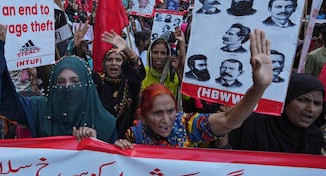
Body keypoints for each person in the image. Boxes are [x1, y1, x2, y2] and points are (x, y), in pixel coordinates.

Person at [113, 29, 273, 149]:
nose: (167, 119)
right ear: (143, 115)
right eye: (157, 113)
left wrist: (258, 88)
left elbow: (227, 120)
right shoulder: (135, 135)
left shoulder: (186, 124)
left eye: (170, 110)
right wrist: (121, 150)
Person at [0, 19, 118, 143]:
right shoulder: (39, 110)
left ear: (88, 85)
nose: (68, 86)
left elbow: (114, 166)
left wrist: (96, 144)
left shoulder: (106, 124)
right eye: (61, 82)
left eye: (75, 81)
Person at [227, 73, 324, 155]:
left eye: (317, 103)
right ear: (286, 99)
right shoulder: (250, 124)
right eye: (303, 100)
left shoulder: (314, 137)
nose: (311, 109)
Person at [93, 30, 146, 137]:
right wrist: (78, 49)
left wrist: (127, 50)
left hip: (125, 139)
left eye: (118, 60)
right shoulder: (98, 82)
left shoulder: (130, 83)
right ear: (104, 64)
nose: (113, 63)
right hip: (100, 138)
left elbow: (139, 73)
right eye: (110, 60)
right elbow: (81, 75)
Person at [141, 30, 186, 102]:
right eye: (155, 52)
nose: (159, 56)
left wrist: (179, 71)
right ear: (149, 54)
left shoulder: (173, 75)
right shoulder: (142, 74)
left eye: (163, 53)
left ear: (168, 55)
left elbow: (186, 97)